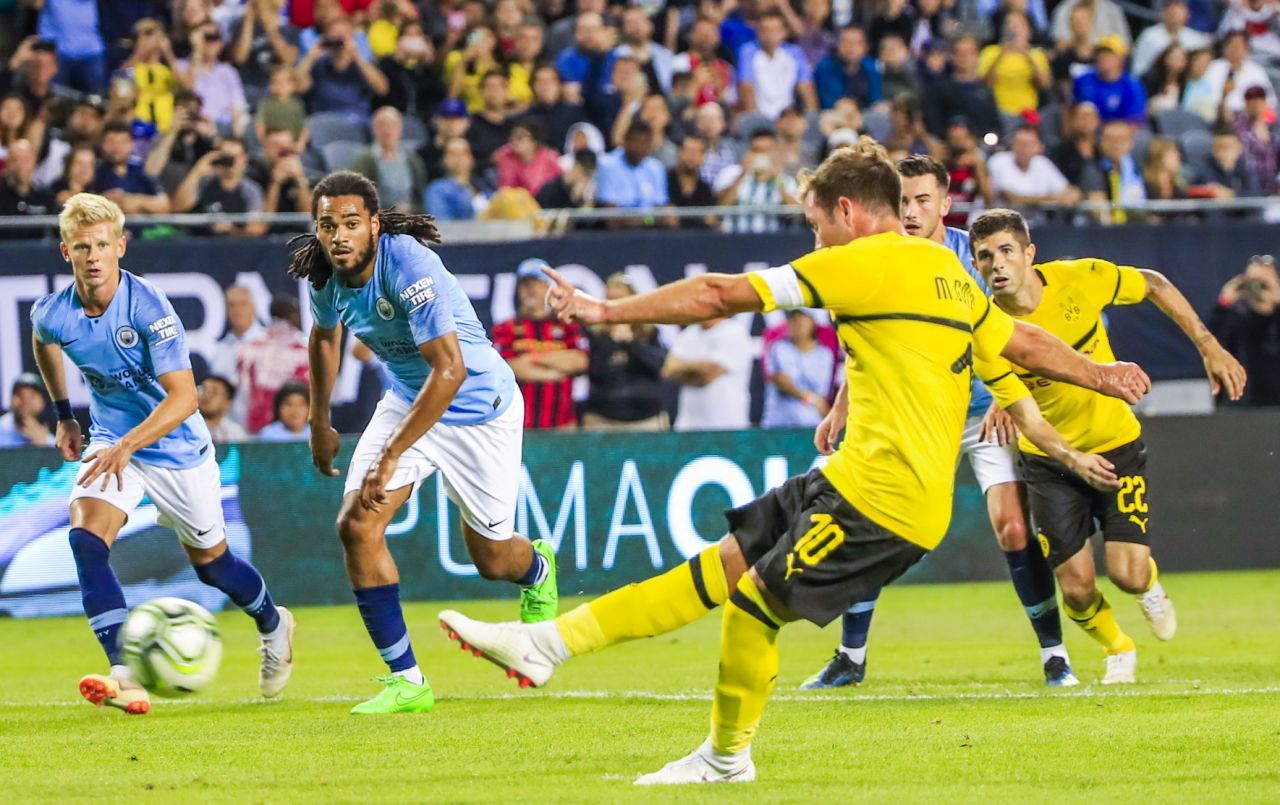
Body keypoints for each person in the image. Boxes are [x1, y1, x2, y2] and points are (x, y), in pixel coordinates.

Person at [437, 140, 1150, 784]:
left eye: (815, 223)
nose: (813, 239)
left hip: (886, 501)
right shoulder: (944, 269)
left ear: (846, 209)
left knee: (751, 607)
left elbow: (720, 294)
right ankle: (544, 644)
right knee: (717, 567)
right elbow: (1021, 341)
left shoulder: (857, 262)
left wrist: (602, 312)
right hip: (852, 480)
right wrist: (1100, 370)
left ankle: (724, 759)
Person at [805, 155, 1078, 689]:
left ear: (945, 205)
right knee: (876, 529)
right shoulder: (882, 257)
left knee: (1014, 526)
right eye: (902, 200)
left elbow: (1016, 321)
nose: (910, 210)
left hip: (982, 413)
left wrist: (1009, 391)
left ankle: (1055, 655)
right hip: (916, 413)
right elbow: (872, 341)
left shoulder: (970, 255)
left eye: (922, 200)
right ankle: (850, 658)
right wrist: (843, 404)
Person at [293, 171, 559, 713]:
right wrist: (319, 421)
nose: (338, 236)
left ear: (373, 223)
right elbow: (324, 338)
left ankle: (538, 570)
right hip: (409, 402)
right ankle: (408, 681)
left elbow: (450, 370)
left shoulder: (409, 263)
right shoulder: (323, 274)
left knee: (490, 559)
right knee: (356, 524)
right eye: (326, 225)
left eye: (349, 224)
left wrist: (390, 454)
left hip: (478, 408)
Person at [30, 193, 294, 717]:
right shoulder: (53, 312)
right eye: (82, 246)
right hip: (111, 442)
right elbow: (43, 342)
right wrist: (63, 413)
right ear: (66, 252)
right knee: (85, 538)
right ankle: (123, 672)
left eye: (103, 244)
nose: (93, 256)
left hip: (176, 448)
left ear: (121, 246)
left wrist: (131, 443)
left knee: (214, 567)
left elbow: (185, 398)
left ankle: (273, 622)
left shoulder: (149, 307)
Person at [968, 207, 1246, 684]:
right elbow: (1012, 394)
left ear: (1030, 254)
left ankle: (1149, 587)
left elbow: (1154, 283)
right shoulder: (984, 327)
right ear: (975, 265)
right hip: (1050, 459)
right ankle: (1118, 646)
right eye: (984, 256)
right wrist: (1003, 400)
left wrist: (1207, 344)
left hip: (1115, 443)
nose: (997, 264)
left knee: (1127, 574)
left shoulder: (1080, 279)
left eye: (1007, 251)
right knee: (1075, 590)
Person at [490, 259, 589, 429]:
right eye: (525, 285)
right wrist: (556, 371)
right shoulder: (505, 328)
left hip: (562, 425)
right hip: (519, 426)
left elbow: (579, 362)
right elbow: (508, 369)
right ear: (518, 290)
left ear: (548, 288)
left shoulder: (566, 325)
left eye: (537, 283)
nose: (531, 290)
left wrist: (532, 358)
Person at [580, 273, 669, 430]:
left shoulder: (648, 331)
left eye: (621, 300)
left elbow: (659, 366)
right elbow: (594, 370)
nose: (617, 306)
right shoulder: (595, 334)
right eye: (612, 300)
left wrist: (631, 343)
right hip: (603, 419)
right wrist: (612, 342)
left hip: (646, 419)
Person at [1210, 255, 1280, 407]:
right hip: (1243, 405)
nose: (1258, 288)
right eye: (1254, 281)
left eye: (1264, 282)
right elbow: (1210, 343)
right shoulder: (1235, 317)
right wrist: (1224, 304)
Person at [662, 316, 754, 431]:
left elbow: (707, 375)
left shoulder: (735, 332)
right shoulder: (688, 334)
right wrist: (698, 370)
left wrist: (683, 370)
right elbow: (668, 371)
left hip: (726, 426)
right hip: (688, 427)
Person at [236, 293, 310, 434]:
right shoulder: (306, 349)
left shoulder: (249, 347)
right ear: (293, 314)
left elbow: (241, 396)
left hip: (255, 427)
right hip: (296, 429)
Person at [173, 136, 268, 236]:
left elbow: (256, 229)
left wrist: (232, 230)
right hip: (202, 242)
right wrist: (197, 172)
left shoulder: (250, 190)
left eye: (232, 158)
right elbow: (179, 207)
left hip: (234, 245)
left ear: (244, 159)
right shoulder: (206, 182)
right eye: (225, 157)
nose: (228, 163)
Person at [760, 310, 835, 429]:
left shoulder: (824, 354)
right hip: (778, 424)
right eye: (793, 319)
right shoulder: (778, 348)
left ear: (813, 322)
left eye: (802, 318)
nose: (797, 323)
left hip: (811, 424)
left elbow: (822, 395)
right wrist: (811, 399)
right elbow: (782, 382)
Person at [738, 12, 818, 119]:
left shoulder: (795, 53)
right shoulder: (748, 52)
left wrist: (812, 118)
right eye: (764, 30)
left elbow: (806, 88)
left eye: (774, 30)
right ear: (757, 32)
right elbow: (746, 87)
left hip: (788, 116)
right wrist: (755, 119)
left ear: (783, 32)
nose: (769, 35)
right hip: (759, 116)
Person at [351, 107, 428, 213]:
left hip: (410, 218)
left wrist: (411, 210)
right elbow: (355, 197)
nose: (387, 130)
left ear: (400, 129)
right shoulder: (365, 159)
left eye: (392, 125)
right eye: (381, 125)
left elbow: (421, 197)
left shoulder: (412, 160)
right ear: (374, 129)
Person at [987, 125, 1081, 207]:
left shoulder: (1042, 163)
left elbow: (1068, 189)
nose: (1023, 149)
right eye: (1019, 144)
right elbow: (1012, 198)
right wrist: (1053, 198)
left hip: (1037, 222)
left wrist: (1074, 194)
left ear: (1039, 147)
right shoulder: (999, 160)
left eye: (1028, 145)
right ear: (1012, 145)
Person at [979, 11, 1051, 116]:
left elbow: (1045, 85)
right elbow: (986, 84)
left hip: (1028, 112)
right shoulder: (990, 52)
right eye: (1009, 24)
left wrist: (1028, 56)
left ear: (1029, 31)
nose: (1014, 28)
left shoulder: (1037, 55)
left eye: (1019, 25)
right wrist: (1000, 55)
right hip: (998, 111)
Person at [95, 121, 171, 215]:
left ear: (131, 144)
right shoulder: (94, 172)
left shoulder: (141, 171)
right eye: (111, 141)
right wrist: (103, 199)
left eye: (122, 142)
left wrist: (136, 201)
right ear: (102, 144)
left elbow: (164, 205)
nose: (117, 147)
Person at [1072, 36, 1147, 124]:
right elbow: (1070, 111)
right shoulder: (1083, 80)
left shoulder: (1132, 85)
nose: (1102, 57)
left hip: (1118, 133)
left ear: (1121, 59)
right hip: (1086, 131)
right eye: (1099, 54)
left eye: (1109, 54)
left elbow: (1135, 122)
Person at [595, 121, 669, 209]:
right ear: (626, 140)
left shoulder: (656, 167)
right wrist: (648, 219)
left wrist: (647, 219)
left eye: (646, 143)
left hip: (652, 222)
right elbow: (610, 214)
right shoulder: (607, 164)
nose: (641, 148)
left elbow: (661, 208)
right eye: (637, 142)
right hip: (622, 221)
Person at [1131, 0, 1211, 79]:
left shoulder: (1196, 40)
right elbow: (1138, 69)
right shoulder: (1149, 35)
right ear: (1163, 13)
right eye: (1170, 12)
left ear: (1187, 14)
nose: (1174, 16)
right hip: (1152, 83)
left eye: (1178, 12)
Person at [815, 26, 882, 110]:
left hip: (865, 115)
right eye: (845, 42)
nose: (850, 47)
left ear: (865, 47)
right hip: (834, 116)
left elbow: (876, 100)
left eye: (856, 43)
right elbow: (832, 103)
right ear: (838, 45)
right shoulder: (826, 66)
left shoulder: (870, 66)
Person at [494, 121, 562, 197]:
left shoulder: (550, 157)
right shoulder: (506, 156)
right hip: (519, 203)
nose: (514, 140)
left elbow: (558, 186)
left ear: (535, 141)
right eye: (512, 137)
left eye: (520, 137)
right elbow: (506, 189)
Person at [425, 137, 486, 220]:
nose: (458, 157)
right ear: (444, 159)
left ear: (471, 158)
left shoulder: (483, 185)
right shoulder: (437, 189)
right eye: (452, 153)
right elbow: (441, 222)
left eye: (464, 152)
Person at [0, 373, 54, 448]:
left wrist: (43, 447)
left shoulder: (47, 440)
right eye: (19, 394)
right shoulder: (2, 428)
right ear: (10, 400)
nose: (25, 401)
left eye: (32, 396)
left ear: (42, 403)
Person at [197, 374, 247, 443]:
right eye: (203, 390)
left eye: (213, 392)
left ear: (227, 402)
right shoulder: (188, 427)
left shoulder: (235, 432)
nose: (206, 396)